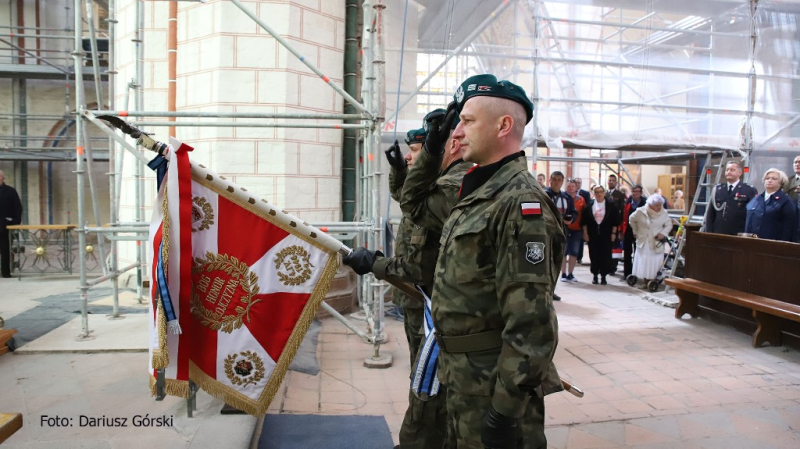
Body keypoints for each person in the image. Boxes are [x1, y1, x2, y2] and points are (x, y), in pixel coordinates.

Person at [402, 74, 564, 449]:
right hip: (462, 377)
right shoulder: (479, 192)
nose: (457, 131)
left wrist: (505, 411)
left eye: (468, 120)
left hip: (492, 385)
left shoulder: (521, 204)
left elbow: (531, 323)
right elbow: (416, 205)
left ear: (503, 125)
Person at [344, 112, 466, 448]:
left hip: (426, 298)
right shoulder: (431, 188)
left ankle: (427, 439)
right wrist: (400, 169)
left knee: (428, 378)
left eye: (422, 147)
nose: (415, 155)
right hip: (418, 298)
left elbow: (420, 264)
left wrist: (377, 265)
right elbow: (406, 197)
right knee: (424, 373)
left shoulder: (445, 189)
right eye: (415, 149)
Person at [628, 194, 672, 286]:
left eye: (660, 205)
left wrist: (663, 233)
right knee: (644, 261)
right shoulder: (641, 211)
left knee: (654, 262)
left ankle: (653, 280)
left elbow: (669, 225)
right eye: (657, 205)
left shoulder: (664, 213)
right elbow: (631, 220)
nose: (659, 207)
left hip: (656, 242)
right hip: (643, 241)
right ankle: (645, 280)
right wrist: (635, 231)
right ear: (651, 205)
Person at [705, 161, 758, 236]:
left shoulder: (748, 190)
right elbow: (711, 214)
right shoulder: (718, 189)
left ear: (740, 173)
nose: (729, 172)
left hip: (738, 233)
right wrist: (708, 232)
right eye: (727, 170)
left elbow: (752, 215)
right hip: (718, 232)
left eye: (732, 170)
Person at [744, 168, 798, 242]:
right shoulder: (756, 199)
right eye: (767, 178)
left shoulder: (786, 201)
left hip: (772, 244)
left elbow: (789, 227)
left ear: (781, 182)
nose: (769, 180)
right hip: (751, 243)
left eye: (774, 179)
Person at [581, 185, 620, 285]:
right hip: (593, 234)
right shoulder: (589, 205)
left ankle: (603, 276)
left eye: (600, 192)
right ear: (594, 193)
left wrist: (613, 233)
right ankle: (595, 275)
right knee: (593, 255)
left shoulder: (610, 205)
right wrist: (585, 233)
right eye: (596, 192)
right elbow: (584, 221)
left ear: (604, 193)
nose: (599, 194)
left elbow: (615, 221)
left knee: (605, 255)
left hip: (606, 234)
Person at [619, 185, 646, 281]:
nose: (635, 193)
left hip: (640, 231)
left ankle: (638, 273)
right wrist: (621, 230)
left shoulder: (645, 203)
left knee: (638, 252)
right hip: (628, 230)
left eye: (637, 191)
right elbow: (623, 217)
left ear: (641, 192)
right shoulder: (628, 202)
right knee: (627, 252)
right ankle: (627, 274)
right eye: (633, 191)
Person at [0, 170, 23, 279]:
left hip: (5, 226)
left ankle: (5, 272)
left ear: (2, 178)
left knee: (5, 251)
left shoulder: (10, 191)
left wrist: (15, 222)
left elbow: (17, 207)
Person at [562, 179, 585, 281]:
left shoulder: (581, 200)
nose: (570, 188)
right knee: (563, 252)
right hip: (564, 229)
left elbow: (584, 215)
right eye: (569, 186)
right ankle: (563, 273)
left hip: (577, 229)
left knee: (574, 252)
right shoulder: (562, 198)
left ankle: (570, 273)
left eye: (572, 186)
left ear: (576, 188)